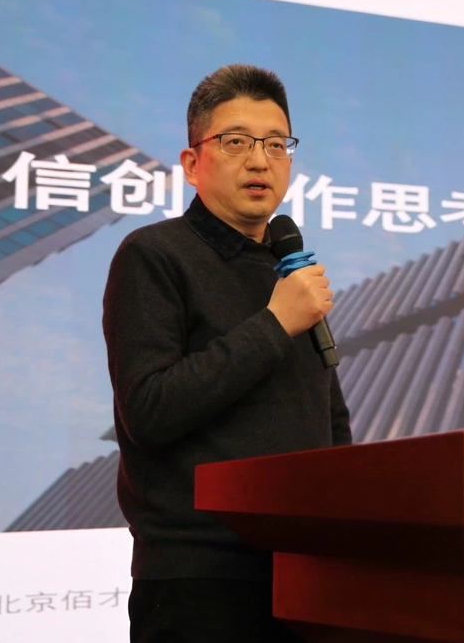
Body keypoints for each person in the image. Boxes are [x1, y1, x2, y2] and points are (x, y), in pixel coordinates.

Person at [102, 63, 352, 643]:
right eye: (237, 142)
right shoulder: (153, 255)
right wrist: (275, 322)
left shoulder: (288, 269)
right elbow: (149, 410)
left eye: (276, 144)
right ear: (193, 163)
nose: (260, 161)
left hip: (307, 566)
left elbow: (326, 416)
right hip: (200, 579)